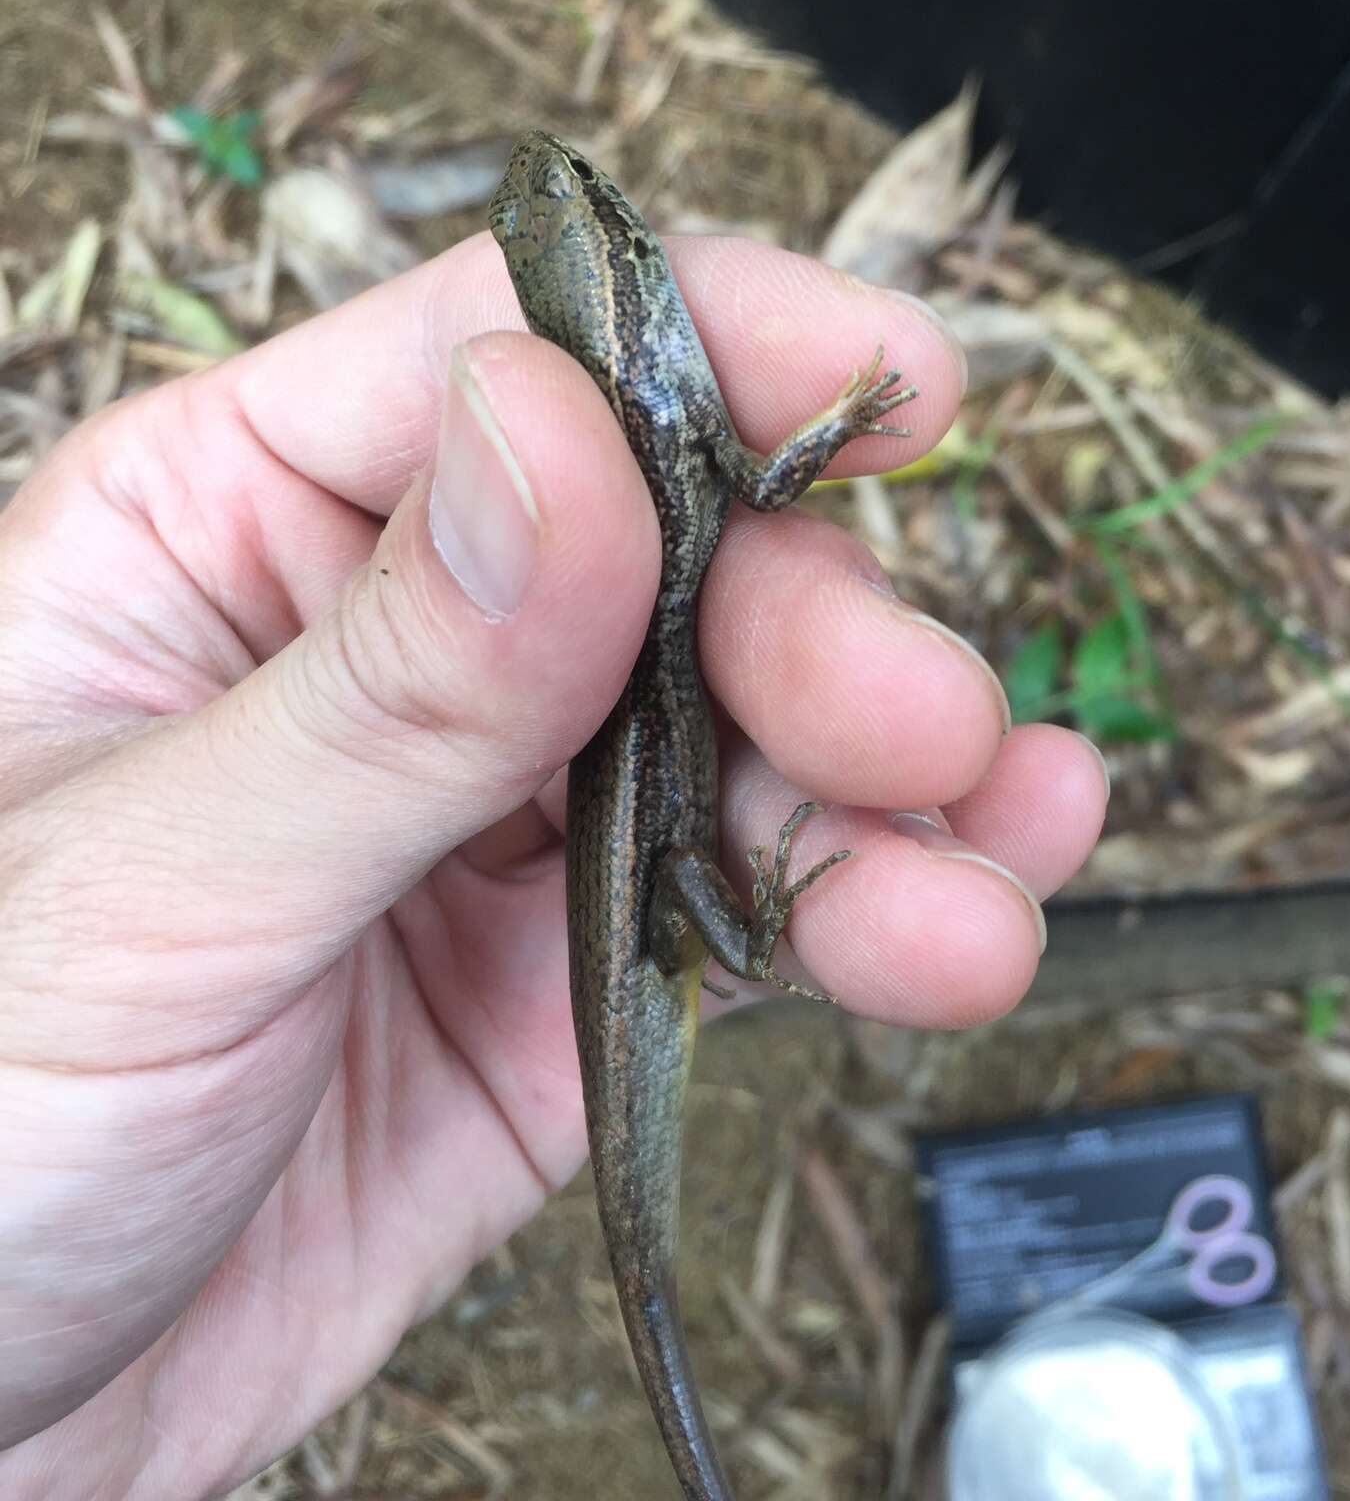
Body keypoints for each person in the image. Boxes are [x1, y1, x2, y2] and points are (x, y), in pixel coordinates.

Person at [0, 224, 1107, 1497]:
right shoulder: (649, 409)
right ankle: (752, 942)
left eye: (601, 225)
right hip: (653, 866)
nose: (623, 235)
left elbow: (745, 491)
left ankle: (747, 936)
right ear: (629, 297)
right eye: (620, 244)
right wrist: (844, 411)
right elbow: (761, 485)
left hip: (632, 841)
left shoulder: (646, 403)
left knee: (734, 833)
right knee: (703, 882)